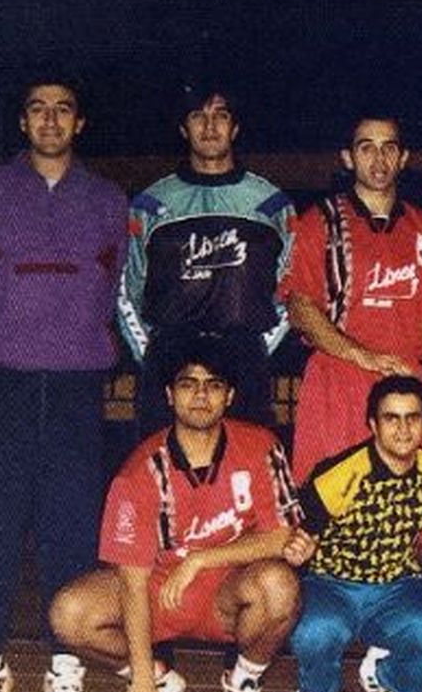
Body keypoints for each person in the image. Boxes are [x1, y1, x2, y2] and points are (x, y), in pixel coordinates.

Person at [0, 78, 127, 692]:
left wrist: (81, 338)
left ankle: (65, 675)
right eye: (37, 110)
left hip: (78, 384)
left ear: (80, 123)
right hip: (4, 382)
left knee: (70, 535)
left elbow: (117, 286)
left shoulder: (108, 200)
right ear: (23, 122)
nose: (50, 120)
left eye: (63, 110)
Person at [48, 340, 300, 692]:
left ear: (229, 396)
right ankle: (164, 681)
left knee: (280, 585)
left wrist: (201, 559)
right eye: (188, 384)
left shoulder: (261, 447)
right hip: (161, 593)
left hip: (229, 593)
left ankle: (243, 682)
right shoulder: (138, 473)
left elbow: (284, 535)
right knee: (69, 613)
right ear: (169, 395)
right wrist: (144, 683)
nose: (201, 395)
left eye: (213, 385)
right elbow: (131, 583)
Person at [287, 376, 422, 692]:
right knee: (316, 632)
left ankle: (391, 684)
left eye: (413, 417)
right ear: (372, 424)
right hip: (331, 585)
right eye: (391, 418)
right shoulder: (337, 474)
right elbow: (298, 532)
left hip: (398, 588)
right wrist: (297, 549)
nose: (403, 429)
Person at [279, 115, 422, 480]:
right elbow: (300, 306)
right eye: (366, 148)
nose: (379, 159)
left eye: (389, 148)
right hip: (338, 378)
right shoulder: (319, 222)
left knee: (404, 503)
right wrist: (362, 355)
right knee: (329, 498)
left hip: (405, 383)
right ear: (348, 157)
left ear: (403, 158)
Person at [117, 81, 294, 433]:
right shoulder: (150, 205)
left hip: (244, 361)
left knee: (246, 472)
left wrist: (257, 349)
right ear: (184, 128)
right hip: (170, 360)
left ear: (236, 127)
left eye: (221, 116)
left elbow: (291, 289)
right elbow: (127, 289)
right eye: (199, 116)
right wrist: (153, 354)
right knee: (163, 477)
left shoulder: (272, 205)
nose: (210, 127)